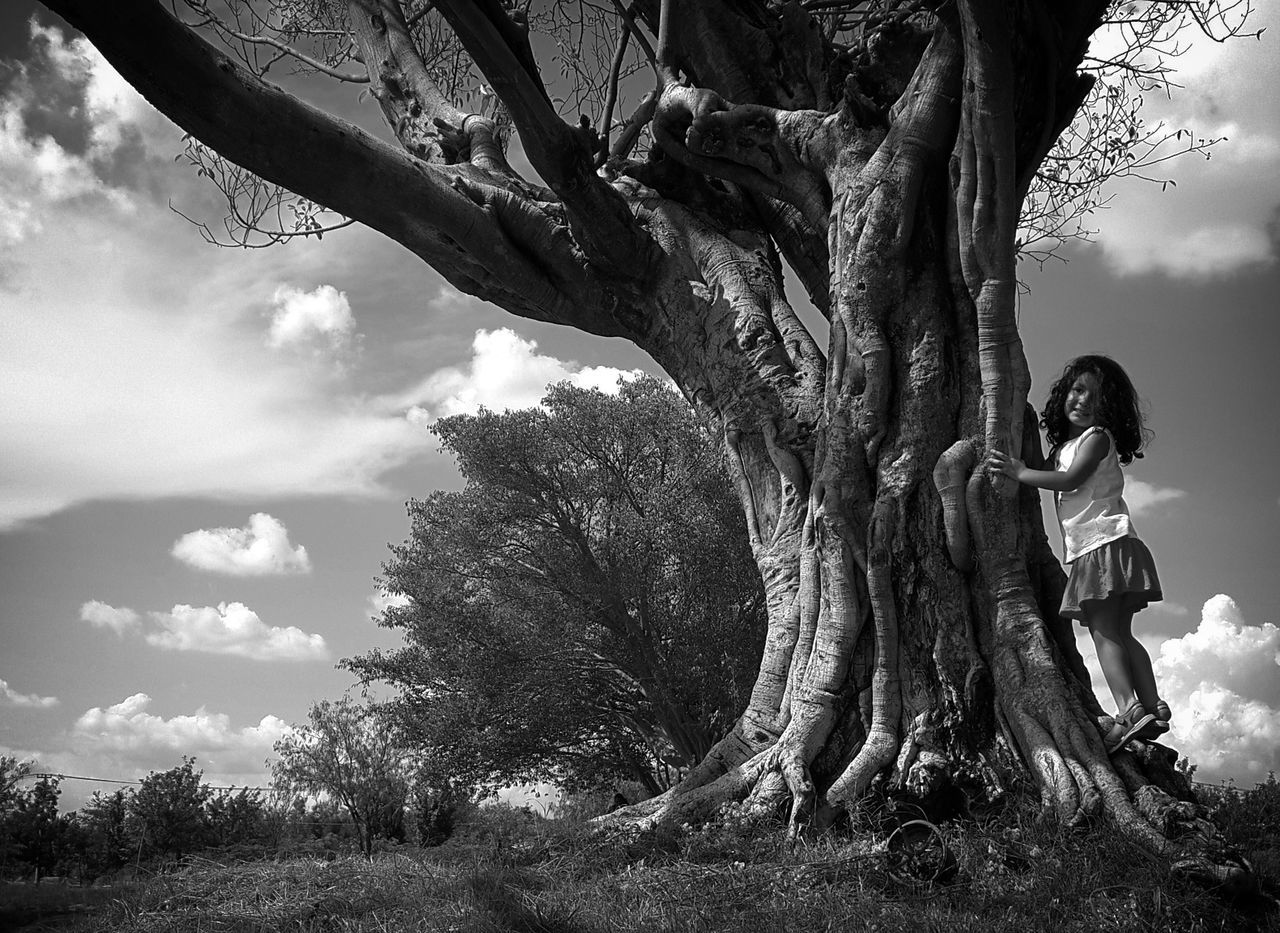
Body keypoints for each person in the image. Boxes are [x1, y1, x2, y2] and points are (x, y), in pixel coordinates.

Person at [987, 354, 1168, 753]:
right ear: (1064, 395)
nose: (1083, 401)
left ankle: (1129, 710)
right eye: (1077, 390)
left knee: (1104, 634)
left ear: (1109, 410)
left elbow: (1068, 479)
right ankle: (1152, 706)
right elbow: (1046, 469)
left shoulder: (1097, 438)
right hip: (1110, 546)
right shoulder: (1066, 447)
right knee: (1121, 632)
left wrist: (1018, 473)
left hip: (1101, 547)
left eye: (1095, 396)